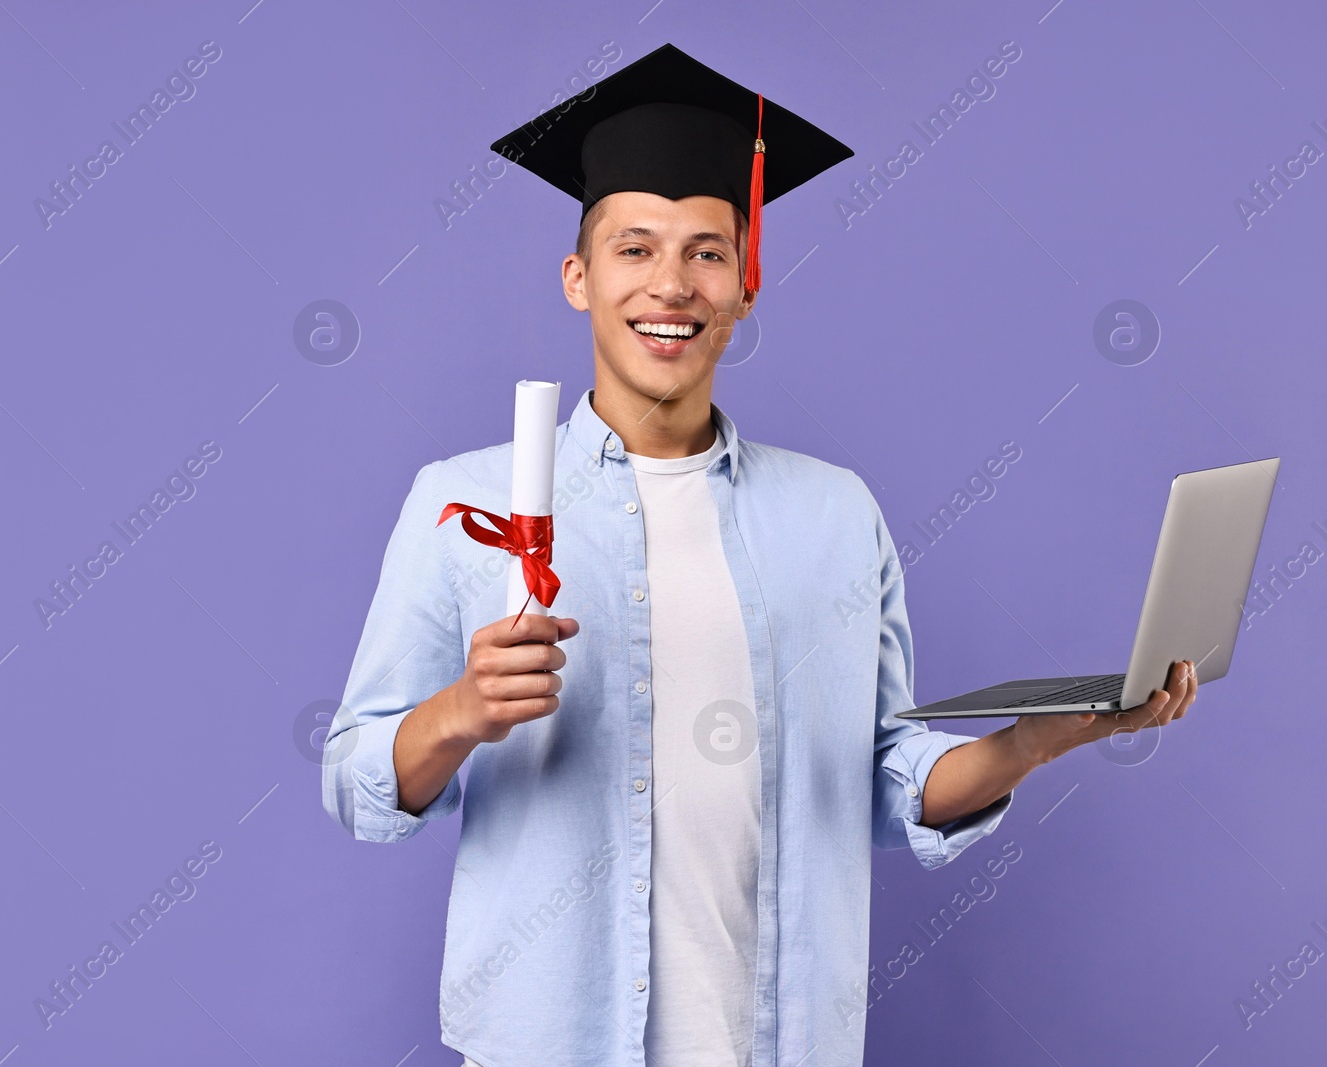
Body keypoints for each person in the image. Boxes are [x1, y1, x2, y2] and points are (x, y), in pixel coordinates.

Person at [321, 42, 1198, 1067]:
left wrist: (1040, 738)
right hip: (547, 1039)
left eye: (705, 251)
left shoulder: (833, 513)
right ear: (577, 277)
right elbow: (355, 778)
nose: (671, 284)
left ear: (745, 282)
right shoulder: (461, 502)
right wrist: (459, 711)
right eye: (634, 248)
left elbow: (882, 778)